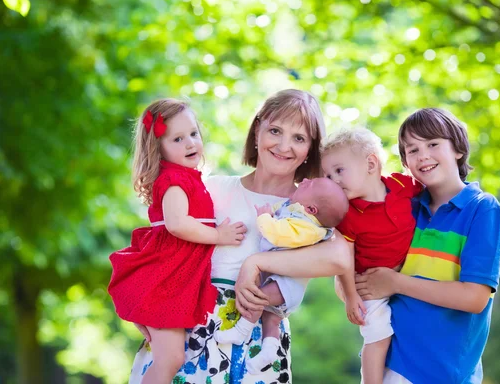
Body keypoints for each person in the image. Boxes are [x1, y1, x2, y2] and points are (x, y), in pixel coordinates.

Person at [128, 89, 352, 384]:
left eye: (299, 138)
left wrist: (254, 263)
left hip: (259, 343)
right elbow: (162, 246)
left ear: (311, 148)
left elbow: (340, 257)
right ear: (257, 129)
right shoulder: (212, 189)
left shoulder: (312, 212)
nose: (284, 145)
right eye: (275, 130)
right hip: (191, 332)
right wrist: (143, 303)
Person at [353, 108, 500, 384]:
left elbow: (474, 298)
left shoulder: (482, 209)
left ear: (458, 149)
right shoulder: (405, 209)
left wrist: (396, 283)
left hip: (443, 373)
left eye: (433, 144)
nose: (423, 155)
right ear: (405, 162)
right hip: (391, 365)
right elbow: (366, 268)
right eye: (412, 150)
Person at [108, 99, 247, 384]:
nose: (189, 143)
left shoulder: (188, 178)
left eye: (194, 134)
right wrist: (219, 236)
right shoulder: (173, 181)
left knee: (172, 358)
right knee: (170, 359)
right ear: (158, 148)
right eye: (177, 138)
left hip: (175, 279)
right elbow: (177, 223)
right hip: (165, 280)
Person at [215, 177, 349, 374]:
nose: (304, 180)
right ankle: (269, 350)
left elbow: (278, 234)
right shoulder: (296, 210)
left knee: (255, 298)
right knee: (271, 319)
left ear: (311, 209)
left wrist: (264, 217)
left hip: (286, 284)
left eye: (309, 185)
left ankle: (240, 331)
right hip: (278, 280)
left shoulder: (309, 228)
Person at [321, 127, 421, 384]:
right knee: (378, 336)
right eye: (328, 176)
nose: (333, 180)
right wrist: (351, 296)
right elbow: (344, 258)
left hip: (403, 275)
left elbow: (431, 191)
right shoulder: (349, 214)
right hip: (366, 284)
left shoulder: (402, 185)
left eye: (339, 171)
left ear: (371, 163)